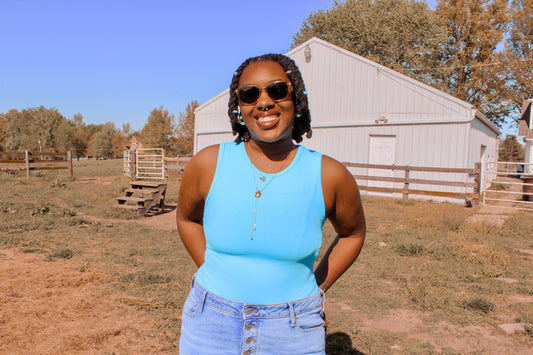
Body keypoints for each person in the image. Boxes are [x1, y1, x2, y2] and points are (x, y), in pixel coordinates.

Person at [176, 53, 366, 354]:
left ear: (297, 98)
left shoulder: (330, 174)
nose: (264, 102)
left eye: (277, 90)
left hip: (293, 329)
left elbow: (352, 234)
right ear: (239, 107)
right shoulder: (207, 164)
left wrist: (314, 290)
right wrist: (212, 268)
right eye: (250, 94)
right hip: (210, 321)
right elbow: (187, 219)